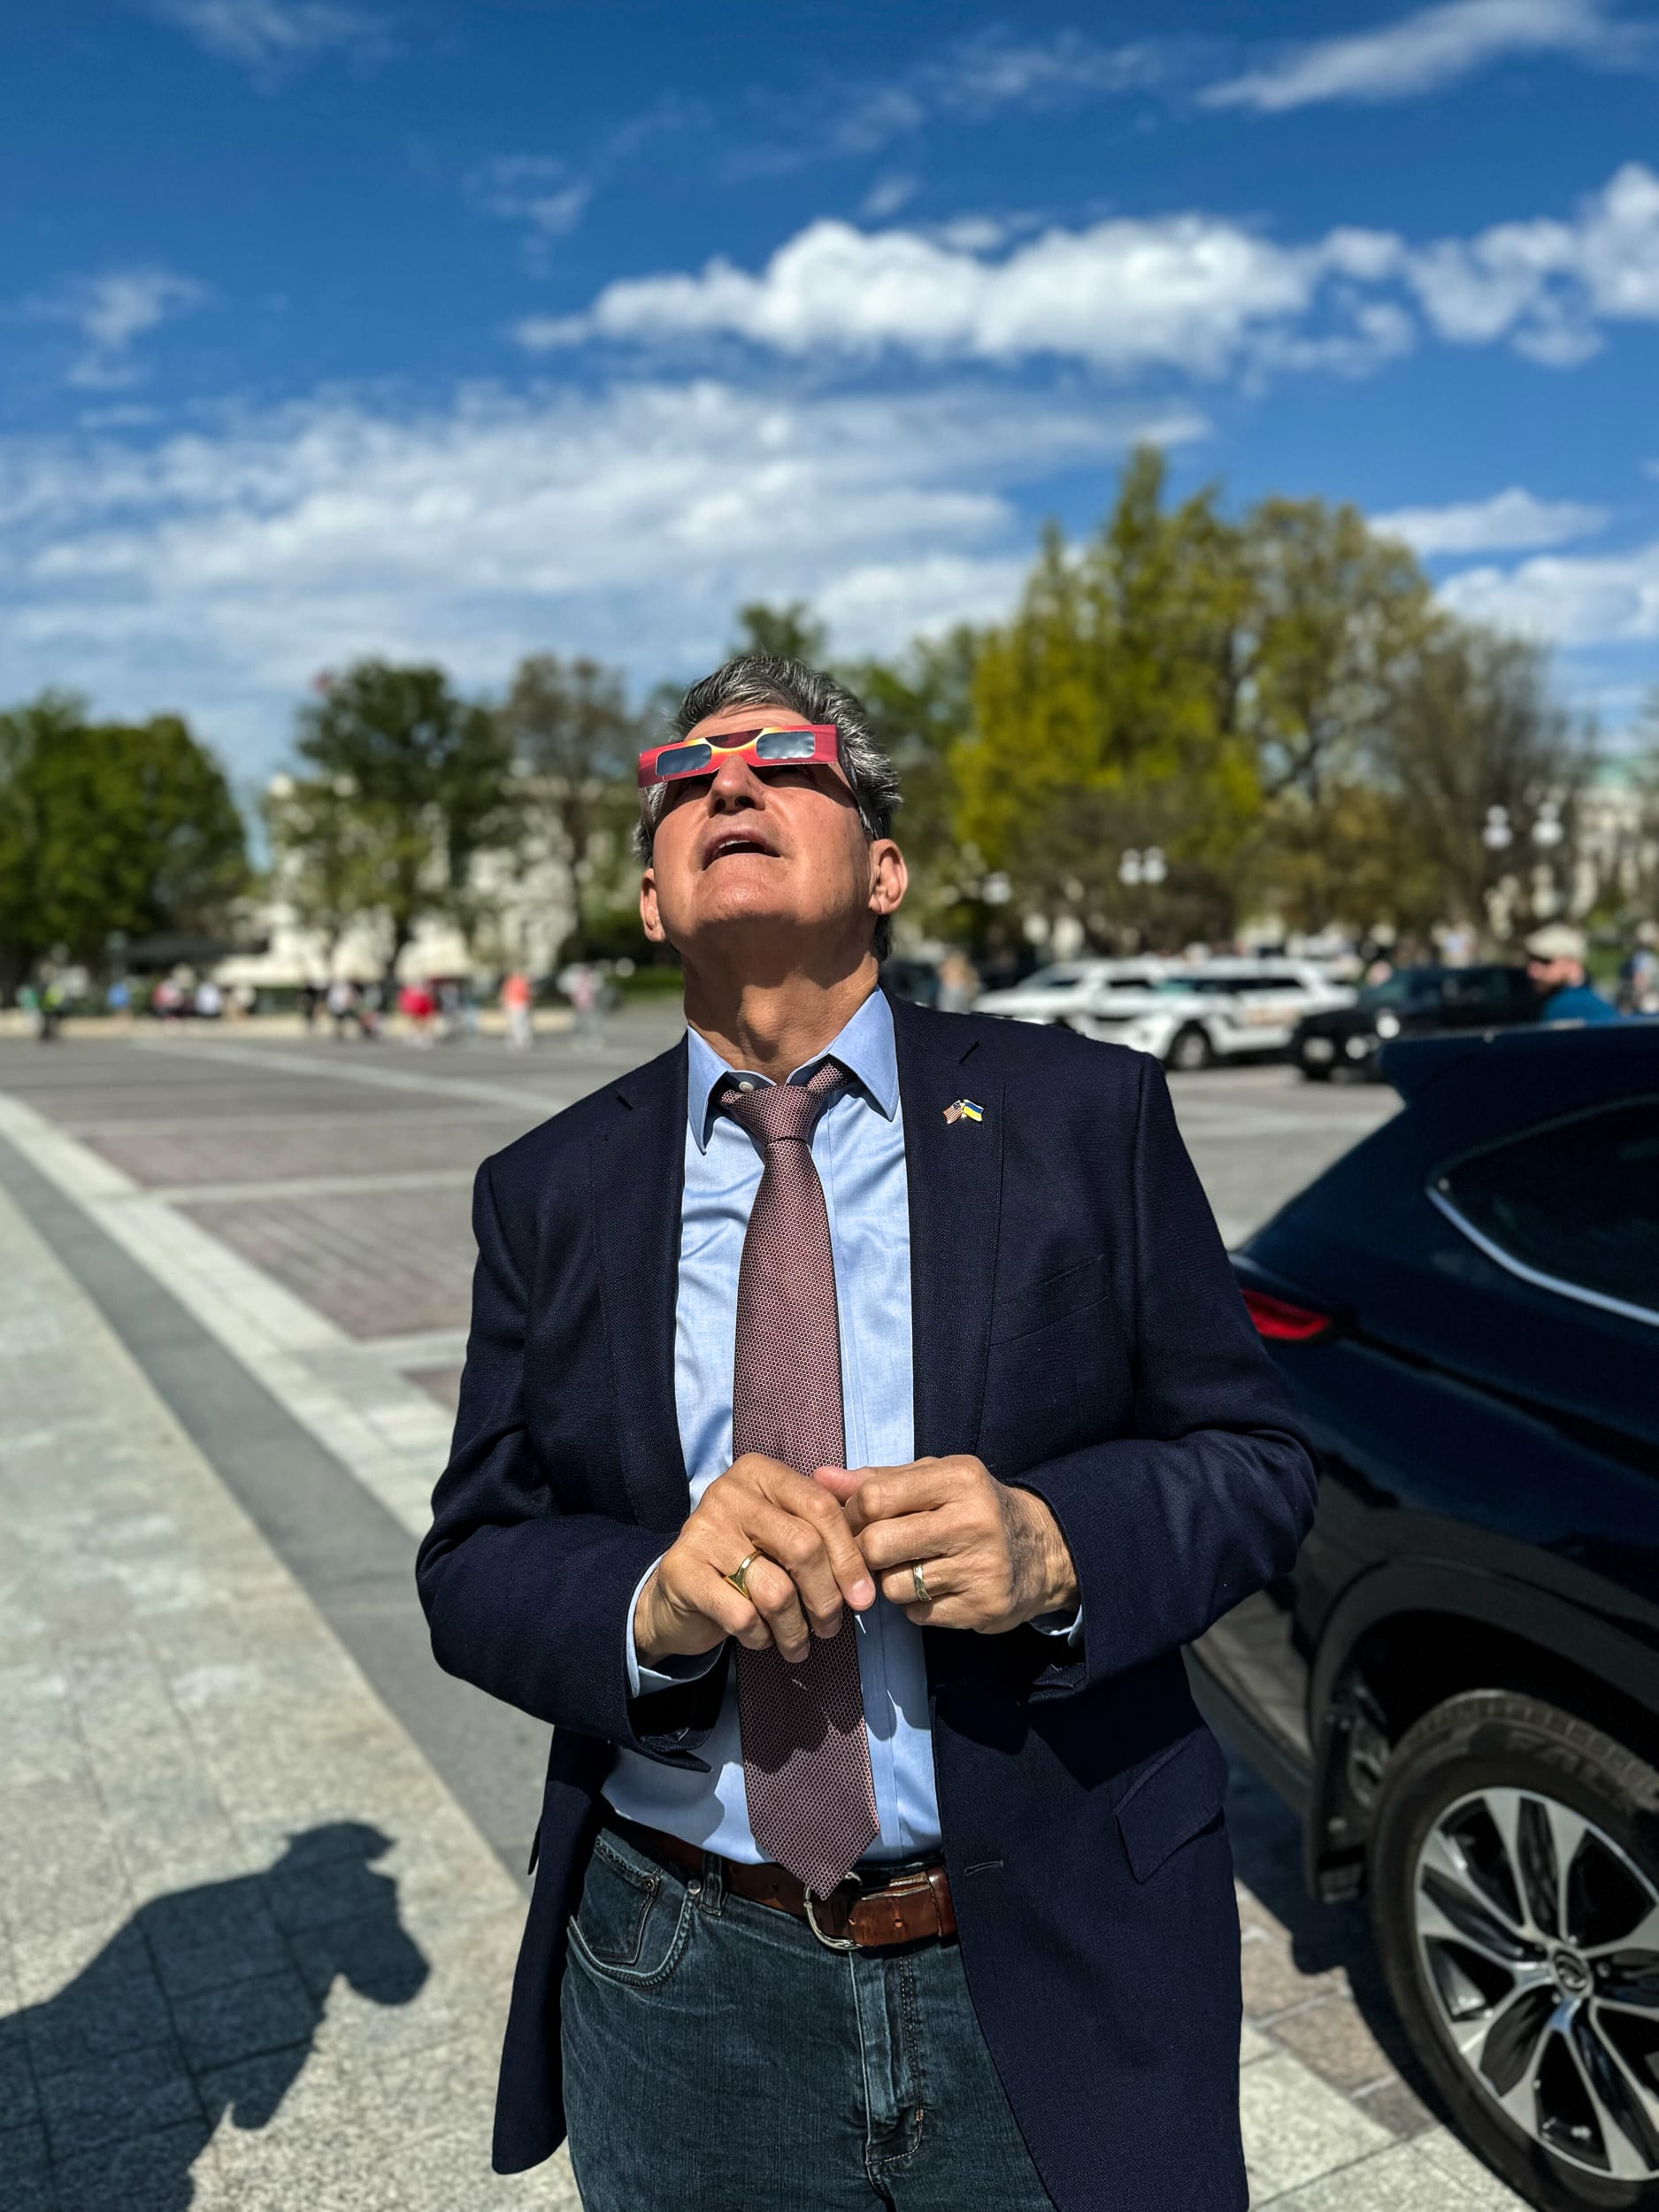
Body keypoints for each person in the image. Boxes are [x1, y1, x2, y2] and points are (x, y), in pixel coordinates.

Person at [418, 654, 1316, 2212]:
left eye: (784, 760)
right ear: (648, 900)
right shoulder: (547, 1189)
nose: (730, 784)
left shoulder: (1084, 1113)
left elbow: (1254, 1462)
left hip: (1050, 1942)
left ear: (884, 867)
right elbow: (476, 1559)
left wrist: (1059, 1546)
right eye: (686, 778)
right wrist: (650, 1603)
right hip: (686, 1969)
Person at [1525, 922, 1618, 1023]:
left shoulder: (1566, 1006)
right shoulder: (1599, 999)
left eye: (1545, 961)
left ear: (1571, 963)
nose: (1532, 971)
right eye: (1531, 960)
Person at [500, 968, 534, 1051]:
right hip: (518, 1004)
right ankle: (521, 1041)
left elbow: (505, 994)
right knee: (520, 1024)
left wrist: (504, 1005)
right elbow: (528, 993)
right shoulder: (522, 981)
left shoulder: (515, 981)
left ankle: (520, 1041)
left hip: (517, 1004)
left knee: (518, 1024)